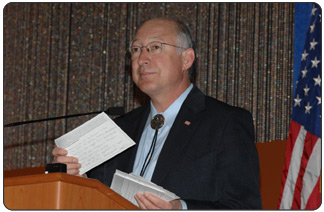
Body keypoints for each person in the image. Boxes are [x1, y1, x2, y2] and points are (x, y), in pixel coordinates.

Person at [52, 17, 262, 209]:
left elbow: (244, 206)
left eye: (155, 47)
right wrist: (75, 179)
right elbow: (94, 198)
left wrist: (182, 208)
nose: (142, 58)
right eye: (135, 50)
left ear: (186, 59)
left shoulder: (225, 122)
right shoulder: (118, 129)